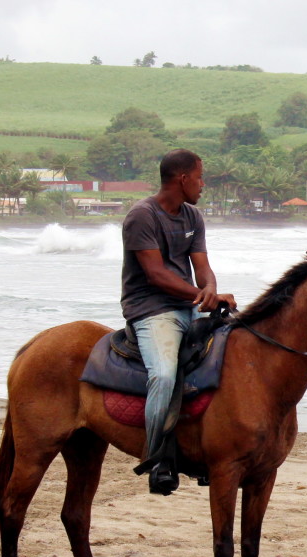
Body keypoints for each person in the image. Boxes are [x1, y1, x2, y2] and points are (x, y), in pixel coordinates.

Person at [121, 148, 237, 495]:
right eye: (200, 177)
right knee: (164, 374)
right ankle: (157, 456)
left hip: (189, 305)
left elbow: (202, 266)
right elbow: (155, 275)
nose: (203, 184)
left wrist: (212, 290)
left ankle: (213, 446)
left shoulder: (192, 216)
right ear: (182, 178)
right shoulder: (142, 216)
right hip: (152, 309)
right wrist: (201, 296)